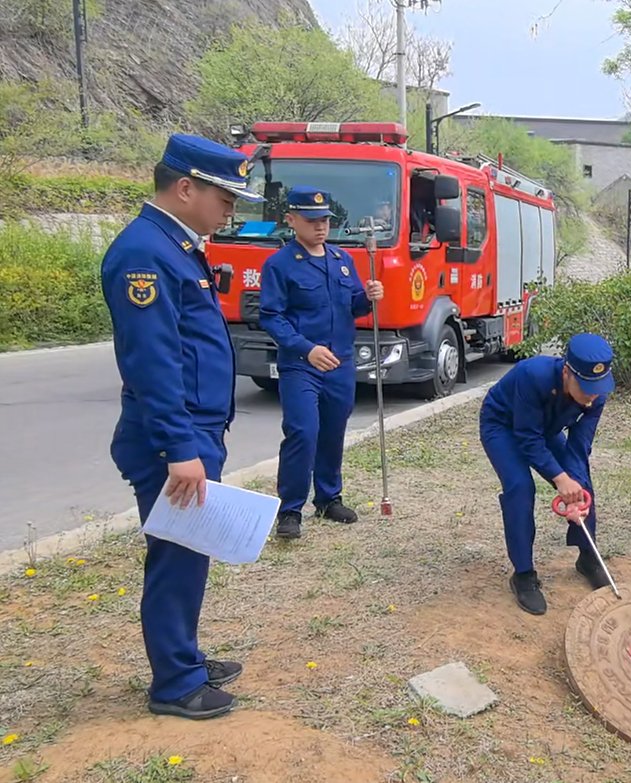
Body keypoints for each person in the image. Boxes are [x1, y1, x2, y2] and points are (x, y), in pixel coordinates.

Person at [101, 133, 264, 720]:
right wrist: (179, 447)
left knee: (188, 553)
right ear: (186, 187)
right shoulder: (146, 252)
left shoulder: (174, 244)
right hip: (174, 436)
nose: (231, 209)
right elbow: (153, 360)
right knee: (178, 555)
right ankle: (174, 684)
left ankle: (184, 656)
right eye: (224, 198)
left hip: (192, 431)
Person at [259, 186, 385, 540]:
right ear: (291, 220)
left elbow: (354, 306)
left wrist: (369, 298)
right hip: (302, 364)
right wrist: (305, 348)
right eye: (311, 220)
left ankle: (329, 498)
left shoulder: (341, 260)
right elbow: (271, 316)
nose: (320, 226)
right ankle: (290, 509)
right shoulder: (280, 265)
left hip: (340, 363)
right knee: (302, 431)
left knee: (333, 432)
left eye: (325, 220)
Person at [479, 333, 615, 615]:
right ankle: (524, 575)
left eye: (597, 388)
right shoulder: (533, 375)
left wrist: (573, 489)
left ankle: (587, 558)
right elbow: (526, 437)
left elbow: (579, 445)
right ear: (567, 372)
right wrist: (558, 477)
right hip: (503, 426)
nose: (591, 397)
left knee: (581, 483)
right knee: (520, 487)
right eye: (586, 387)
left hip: (545, 429)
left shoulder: (596, 394)